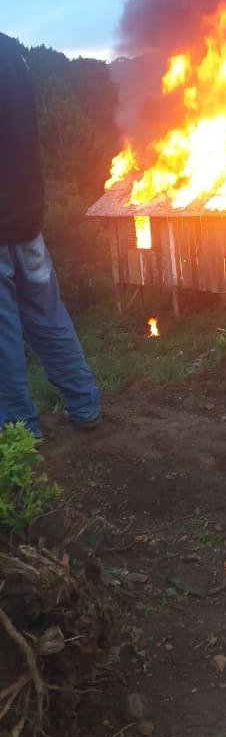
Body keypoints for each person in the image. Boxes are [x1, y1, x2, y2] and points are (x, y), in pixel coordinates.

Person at [0, 31, 100, 439]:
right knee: (47, 313)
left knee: (2, 333)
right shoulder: (12, 53)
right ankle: (85, 403)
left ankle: (19, 433)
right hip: (27, 216)